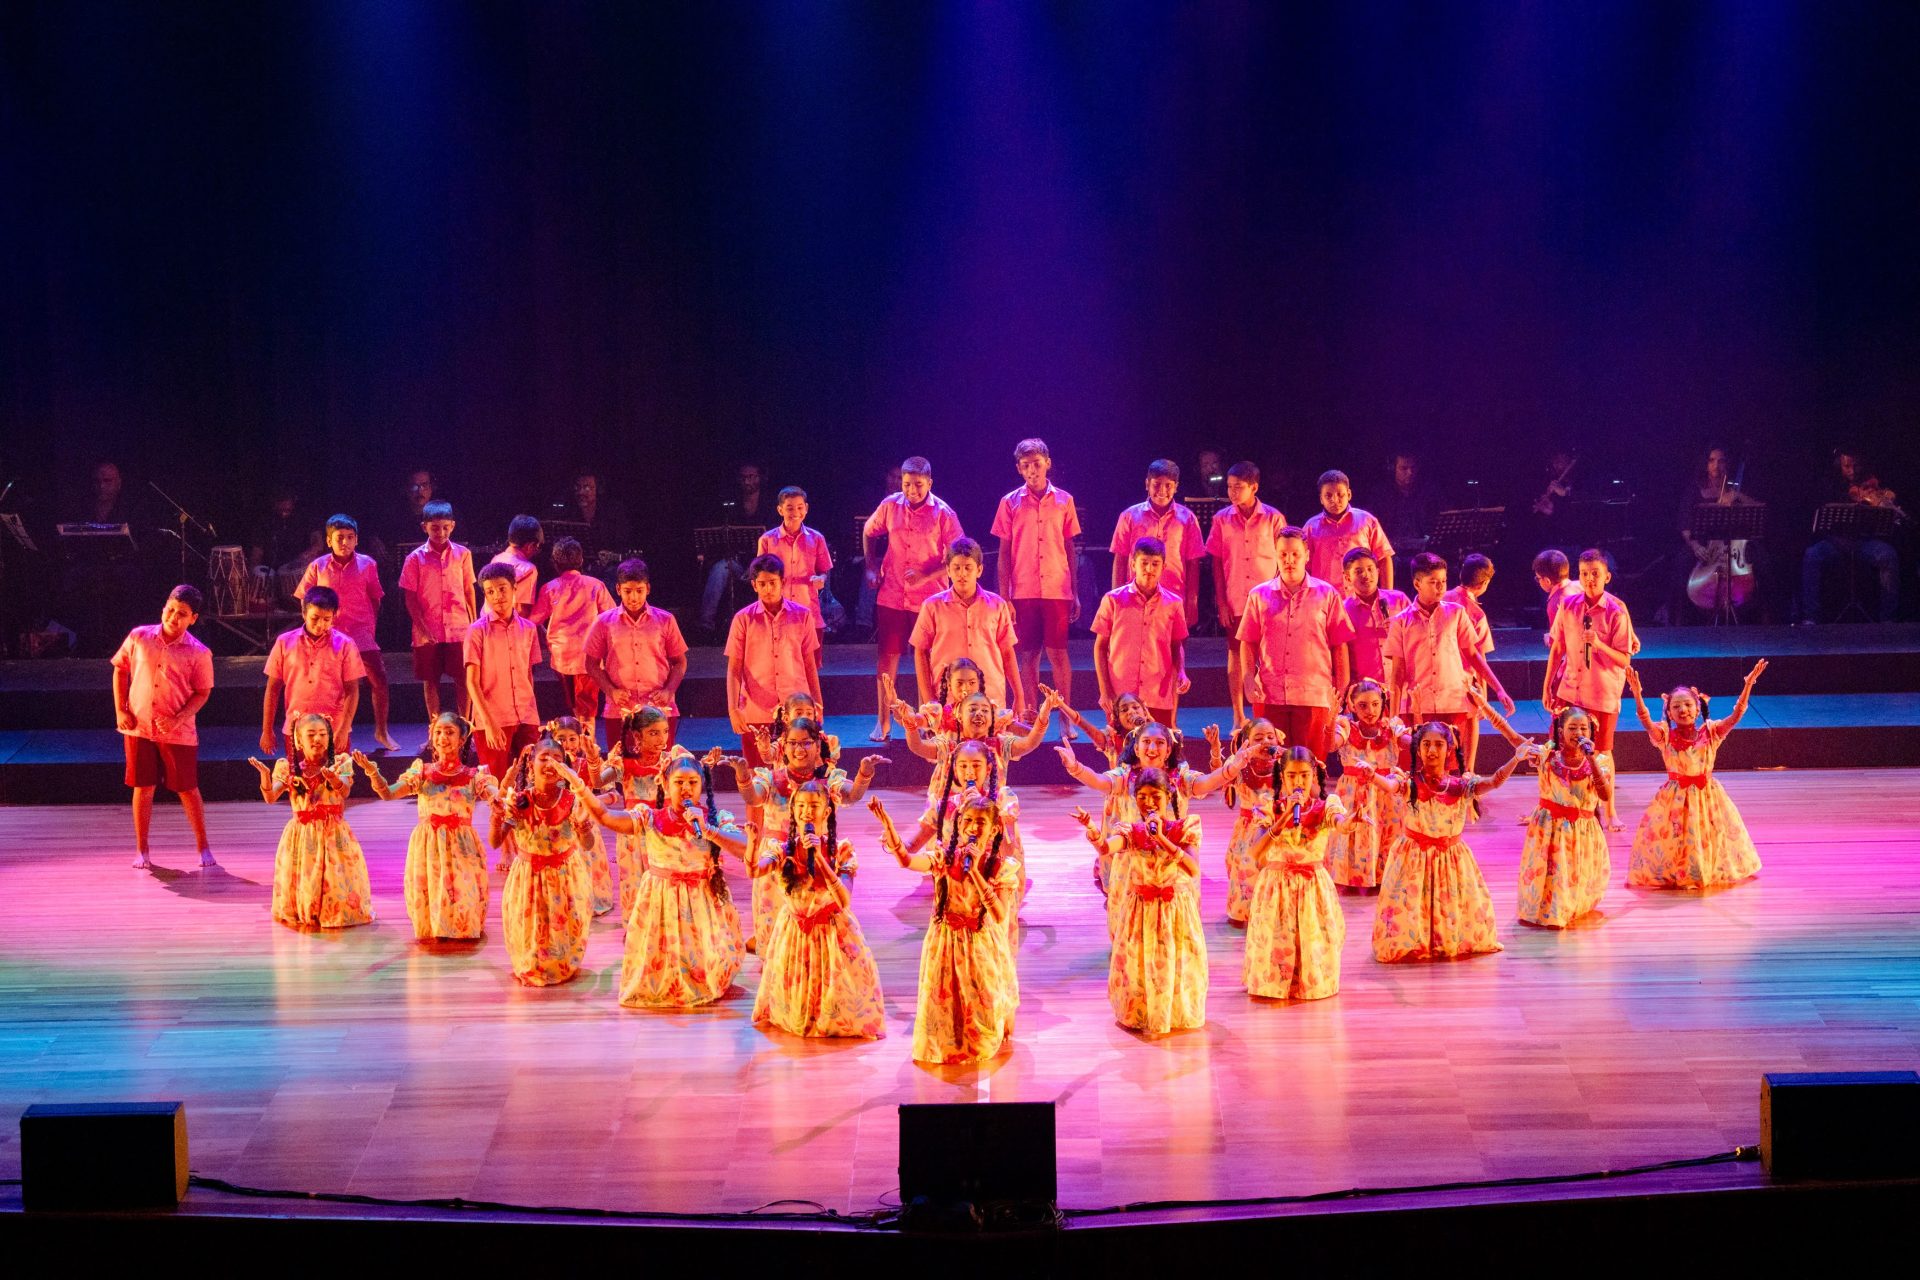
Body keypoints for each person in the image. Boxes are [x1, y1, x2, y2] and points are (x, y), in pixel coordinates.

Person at [570, 753, 750, 1007]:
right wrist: (579, 787)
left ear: (702, 785)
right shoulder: (650, 818)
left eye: (692, 782)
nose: (686, 788)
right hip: (661, 898)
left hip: (700, 899)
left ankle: (698, 982)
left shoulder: (713, 820)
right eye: (678, 782)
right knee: (663, 951)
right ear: (665, 785)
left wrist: (709, 830)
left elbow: (745, 848)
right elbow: (606, 817)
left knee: (698, 952)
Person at [1354, 723, 1528, 962]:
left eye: (1438, 744)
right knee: (1411, 905)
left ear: (1449, 749)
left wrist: (1515, 760)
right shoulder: (1409, 783)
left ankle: (1445, 938)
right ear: (1417, 749)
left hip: (1450, 857)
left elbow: (1494, 781)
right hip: (1414, 857)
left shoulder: (1461, 786)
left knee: (1451, 902)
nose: (1432, 750)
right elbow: (1390, 786)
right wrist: (1373, 776)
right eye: (1426, 744)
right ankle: (1415, 942)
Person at [871, 791, 1019, 1066]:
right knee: (945, 995)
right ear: (959, 825)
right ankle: (948, 1042)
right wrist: (889, 829)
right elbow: (907, 861)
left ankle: (977, 1040)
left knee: (979, 995)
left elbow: (999, 914)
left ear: (994, 828)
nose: (974, 828)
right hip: (945, 939)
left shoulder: (1000, 867)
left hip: (979, 940)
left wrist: (974, 871)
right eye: (968, 821)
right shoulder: (943, 858)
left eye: (981, 823)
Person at [749, 781, 886, 1040]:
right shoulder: (782, 851)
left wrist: (820, 858)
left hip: (833, 929)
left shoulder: (841, 850)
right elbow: (755, 871)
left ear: (827, 811)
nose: (806, 811)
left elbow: (844, 899)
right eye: (800, 805)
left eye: (814, 805)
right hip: (795, 931)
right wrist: (751, 847)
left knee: (836, 989)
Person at [1624, 662, 1767, 889]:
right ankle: (1681, 872)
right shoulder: (1665, 736)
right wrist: (1637, 694)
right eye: (1677, 706)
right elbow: (1645, 720)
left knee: (1706, 836)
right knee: (1678, 838)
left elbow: (1737, 714)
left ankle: (1702, 870)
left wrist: (1749, 684)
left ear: (1698, 708)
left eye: (1688, 705)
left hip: (1707, 795)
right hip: (1676, 798)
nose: (1683, 710)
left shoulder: (1711, 732)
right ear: (1669, 712)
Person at [354, 713, 495, 940]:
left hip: (461, 845)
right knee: (431, 886)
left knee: (462, 891)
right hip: (429, 843)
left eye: (449, 733)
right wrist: (373, 772)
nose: (442, 738)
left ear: (461, 740)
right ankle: (438, 928)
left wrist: (503, 796)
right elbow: (388, 793)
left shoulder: (473, 776)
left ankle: (460, 929)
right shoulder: (422, 772)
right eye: (438, 732)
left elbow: (493, 795)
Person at [113, 584, 215, 869]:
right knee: (142, 787)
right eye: (170, 610)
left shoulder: (198, 653)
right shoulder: (139, 637)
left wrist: (177, 718)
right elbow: (120, 669)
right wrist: (121, 709)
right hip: (139, 726)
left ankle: (203, 848)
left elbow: (202, 693)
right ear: (163, 609)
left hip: (177, 731)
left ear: (193, 618)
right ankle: (142, 850)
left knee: (187, 788)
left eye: (181, 614)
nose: (173, 617)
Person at [863, 456, 962, 741]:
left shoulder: (943, 513)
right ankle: (883, 721)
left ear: (929, 483)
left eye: (918, 485)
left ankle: (926, 721)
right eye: (907, 484)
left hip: (929, 599)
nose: (912, 490)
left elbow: (958, 556)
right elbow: (869, 532)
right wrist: (871, 564)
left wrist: (926, 577)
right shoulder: (890, 505)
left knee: (928, 661)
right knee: (887, 661)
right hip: (892, 595)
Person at [1102, 769, 1207, 1036]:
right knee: (1140, 962)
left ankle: (1173, 1012)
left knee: (1175, 960)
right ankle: (1141, 1012)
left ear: (1168, 795)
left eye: (1155, 796)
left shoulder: (1184, 828)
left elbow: (1193, 868)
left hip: (1174, 909)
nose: (1148, 803)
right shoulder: (1131, 831)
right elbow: (1108, 847)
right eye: (1142, 796)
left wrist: (1161, 839)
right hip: (1142, 908)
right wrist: (1093, 834)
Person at [1242, 746, 1349, 1001]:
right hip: (1277, 885)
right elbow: (1256, 851)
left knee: (1312, 936)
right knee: (1278, 937)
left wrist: (1351, 823)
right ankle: (1276, 982)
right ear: (1282, 775)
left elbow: (1340, 822)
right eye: (1291, 776)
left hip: (1312, 884)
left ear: (1313, 775)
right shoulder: (1268, 807)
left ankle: (1308, 981)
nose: (1298, 782)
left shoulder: (1326, 806)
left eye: (1303, 775)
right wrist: (1285, 817)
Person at [1236, 527, 1353, 758]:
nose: (1289, 560)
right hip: (1270, 695)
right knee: (1271, 768)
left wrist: (1340, 690)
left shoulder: (1327, 594)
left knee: (1309, 766)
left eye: (1295, 554)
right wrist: (1248, 679)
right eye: (1283, 555)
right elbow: (1247, 642)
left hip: (1314, 695)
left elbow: (1340, 645)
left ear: (1307, 555)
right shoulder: (1259, 595)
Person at [1543, 548, 1640, 829]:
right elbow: (1558, 646)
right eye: (1584, 574)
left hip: (1601, 690)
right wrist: (1548, 683)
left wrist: (1597, 644)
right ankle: (1556, 804)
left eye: (1595, 574)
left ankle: (1609, 811)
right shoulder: (1569, 604)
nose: (1589, 580)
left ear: (1607, 576)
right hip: (1570, 688)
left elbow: (1624, 658)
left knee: (1602, 752)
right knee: (1558, 747)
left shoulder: (1616, 610)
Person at [251, 713, 374, 931]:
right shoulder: (287, 768)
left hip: (332, 833)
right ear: (299, 740)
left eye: (322, 734)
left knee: (335, 879)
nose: (317, 739)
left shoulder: (341, 763)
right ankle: (308, 910)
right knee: (307, 876)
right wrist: (264, 776)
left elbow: (344, 791)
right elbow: (270, 798)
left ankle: (333, 912)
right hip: (302, 835)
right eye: (311, 734)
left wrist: (333, 778)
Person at [490, 738, 595, 986]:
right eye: (544, 758)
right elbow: (496, 842)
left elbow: (588, 844)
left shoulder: (572, 801)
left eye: (557, 759)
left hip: (564, 876)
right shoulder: (519, 801)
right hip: (528, 876)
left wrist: (582, 826)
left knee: (564, 924)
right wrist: (497, 816)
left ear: (565, 768)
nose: (550, 764)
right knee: (530, 925)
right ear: (531, 764)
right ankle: (532, 964)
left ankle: (561, 965)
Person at [992, 439, 1081, 721]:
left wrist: (1074, 592)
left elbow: (1069, 548)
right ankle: (1030, 712)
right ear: (1019, 469)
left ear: (1048, 463)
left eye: (1037, 464)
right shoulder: (1009, 503)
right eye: (1026, 466)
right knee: (1028, 654)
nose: (1033, 470)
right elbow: (1004, 553)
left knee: (1058, 653)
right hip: (1023, 588)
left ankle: (1066, 715)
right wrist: (1005, 596)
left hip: (1057, 587)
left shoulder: (1065, 501)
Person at [1384, 552, 1515, 743]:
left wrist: (1499, 689)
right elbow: (1397, 673)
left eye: (1443, 581)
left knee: (1453, 766)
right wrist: (1394, 716)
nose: (1440, 587)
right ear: (1417, 584)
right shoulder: (1401, 621)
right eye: (1433, 582)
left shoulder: (1456, 613)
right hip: (1417, 705)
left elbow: (1473, 655)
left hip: (1453, 701)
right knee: (1418, 765)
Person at [297, 514, 398, 751]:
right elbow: (305, 599)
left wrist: (368, 626)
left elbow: (376, 598)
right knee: (333, 686)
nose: (345, 542)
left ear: (356, 540)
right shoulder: (318, 566)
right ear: (329, 540)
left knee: (379, 680)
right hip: (330, 635)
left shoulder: (367, 564)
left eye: (350, 537)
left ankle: (382, 732)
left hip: (361, 633)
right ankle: (337, 734)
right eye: (339, 537)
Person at [1511, 705, 1610, 928]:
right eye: (1572, 728)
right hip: (1550, 827)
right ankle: (1553, 913)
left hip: (1581, 830)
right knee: (1552, 872)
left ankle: (1566, 909)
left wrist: (1590, 758)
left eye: (1583, 728)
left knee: (1571, 873)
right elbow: (1514, 738)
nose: (1578, 732)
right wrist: (1486, 708)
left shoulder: (1600, 761)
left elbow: (1604, 794)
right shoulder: (1548, 756)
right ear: (1561, 731)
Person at [1205, 461, 1286, 729]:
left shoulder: (1273, 518)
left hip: (1269, 600)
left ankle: (1265, 713)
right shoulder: (1221, 519)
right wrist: (1221, 601)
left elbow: (1284, 558)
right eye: (1229, 487)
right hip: (1236, 597)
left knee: (1269, 656)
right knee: (1236, 653)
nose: (1232, 493)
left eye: (1238, 487)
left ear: (1254, 487)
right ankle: (1238, 714)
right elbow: (1217, 562)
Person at [725, 554, 823, 766]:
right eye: (762, 584)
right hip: (756, 710)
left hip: (795, 711)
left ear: (783, 582)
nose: (768, 589)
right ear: (754, 585)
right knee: (758, 778)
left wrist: (818, 704)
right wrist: (733, 709)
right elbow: (734, 668)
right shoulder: (744, 619)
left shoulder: (802, 615)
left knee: (796, 777)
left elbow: (809, 664)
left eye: (772, 583)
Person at [912, 538, 1024, 718]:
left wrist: (1019, 695)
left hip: (990, 699)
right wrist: (929, 700)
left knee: (991, 745)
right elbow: (920, 651)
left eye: (968, 568)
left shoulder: (997, 605)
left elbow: (1007, 652)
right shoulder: (932, 606)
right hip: (947, 700)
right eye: (956, 568)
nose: (962, 573)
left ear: (979, 570)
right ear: (948, 570)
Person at [583, 558, 688, 747]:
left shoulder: (665, 620)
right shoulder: (604, 622)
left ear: (648, 588)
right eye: (628, 591)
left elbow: (680, 662)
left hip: (660, 709)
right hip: (620, 710)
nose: (633, 597)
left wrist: (668, 691)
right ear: (618, 589)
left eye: (639, 591)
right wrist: (611, 691)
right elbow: (591, 664)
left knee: (661, 768)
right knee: (623, 769)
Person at [1092, 535, 1190, 726]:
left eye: (1155, 564)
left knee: (1158, 750)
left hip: (1158, 693)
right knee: (1121, 752)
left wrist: (1182, 672)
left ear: (1163, 566)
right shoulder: (1113, 600)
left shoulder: (1174, 603)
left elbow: (1176, 644)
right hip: (1121, 695)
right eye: (1144, 563)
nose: (1149, 569)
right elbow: (1100, 648)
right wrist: (1105, 692)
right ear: (1133, 564)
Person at [261, 586, 364, 757]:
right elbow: (272, 689)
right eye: (314, 618)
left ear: (334, 616)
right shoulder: (284, 643)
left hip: (334, 729)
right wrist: (267, 730)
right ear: (304, 613)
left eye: (326, 619)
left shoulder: (345, 644)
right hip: (297, 729)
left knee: (337, 781)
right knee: (299, 782)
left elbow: (352, 691)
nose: (320, 625)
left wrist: (344, 730)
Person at [1801, 449, 1901, 623]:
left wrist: (1882, 501)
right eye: (1847, 466)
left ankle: (1888, 619)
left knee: (1888, 555)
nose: (1852, 471)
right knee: (1812, 555)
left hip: (1863, 542)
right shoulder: (1830, 484)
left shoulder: (1869, 483)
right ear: (1839, 465)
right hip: (1835, 542)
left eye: (1855, 466)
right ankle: (1811, 617)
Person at [398, 500, 475, 722]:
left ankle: (465, 727)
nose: (440, 532)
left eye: (444, 527)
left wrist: (473, 623)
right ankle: (435, 728)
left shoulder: (463, 555)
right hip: (427, 631)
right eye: (434, 528)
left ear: (452, 525)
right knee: (431, 681)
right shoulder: (414, 558)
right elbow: (410, 599)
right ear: (424, 527)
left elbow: (468, 590)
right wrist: (422, 629)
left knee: (463, 679)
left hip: (459, 628)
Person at [465, 562, 545, 778]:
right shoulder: (477, 631)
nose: (497, 596)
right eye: (490, 592)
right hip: (493, 718)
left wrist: (532, 714)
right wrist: (489, 723)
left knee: (529, 783)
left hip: (526, 716)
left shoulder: (528, 629)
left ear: (514, 589)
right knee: (498, 786)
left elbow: (528, 673)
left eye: (502, 589)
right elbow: (472, 682)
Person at [1326, 679, 1406, 890]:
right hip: (1353, 793)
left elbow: (1409, 744)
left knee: (1385, 831)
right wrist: (1329, 721)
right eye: (1362, 705)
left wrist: (1416, 722)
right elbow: (1331, 745)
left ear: (1382, 704)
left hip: (1385, 792)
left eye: (1374, 704)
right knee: (1354, 831)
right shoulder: (1345, 727)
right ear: (1352, 705)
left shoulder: (1392, 727)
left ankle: (1384, 875)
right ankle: (1352, 876)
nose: (1370, 710)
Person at [1109, 459, 1204, 632]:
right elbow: (1121, 558)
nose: (1162, 490)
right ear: (1147, 484)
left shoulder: (1188, 519)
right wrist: (1116, 596)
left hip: (1174, 598)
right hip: (1135, 598)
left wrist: (1192, 601)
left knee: (1174, 653)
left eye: (1168, 485)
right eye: (1156, 484)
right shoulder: (1129, 516)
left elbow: (1193, 563)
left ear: (1176, 486)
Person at [532, 537, 615, 727]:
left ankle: (584, 748)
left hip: (562, 657)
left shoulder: (549, 588)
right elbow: (612, 617)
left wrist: (545, 634)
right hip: (589, 657)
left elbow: (532, 621)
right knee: (587, 710)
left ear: (554, 563)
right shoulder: (595, 585)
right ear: (581, 560)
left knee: (578, 709)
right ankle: (587, 749)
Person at [1674, 446, 1761, 623]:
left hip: (1732, 544)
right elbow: (1684, 523)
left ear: (1726, 465)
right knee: (1681, 564)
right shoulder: (1695, 490)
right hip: (1702, 543)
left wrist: (1738, 496)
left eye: (1721, 461)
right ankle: (1679, 621)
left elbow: (1757, 508)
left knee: (1763, 562)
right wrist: (1695, 546)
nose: (1716, 465)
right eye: (1711, 460)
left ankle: (1764, 619)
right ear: (1706, 464)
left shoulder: (1732, 489)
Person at [697, 461, 772, 633]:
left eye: (751, 477)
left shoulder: (768, 504)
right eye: (744, 477)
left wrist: (756, 566)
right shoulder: (732, 505)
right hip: (740, 563)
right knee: (720, 568)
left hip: (764, 564)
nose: (747, 481)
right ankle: (705, 624)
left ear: (760, 477)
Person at [755, 485, 833, 647]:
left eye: (799, 507)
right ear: (780, 510)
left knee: (809, 665)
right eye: (789, 508)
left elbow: (823, 570)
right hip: (775, 610)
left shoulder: (816, 538)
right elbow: (760, 574)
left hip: (807, 609)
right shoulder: (767, 540)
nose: (795, 513)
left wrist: (821, 578)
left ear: (806, 509)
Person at [1304, 469, 1395, 591]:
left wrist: (1387, 594)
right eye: (1328, 495)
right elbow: (1304, 566)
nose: (1335, 500)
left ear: (1349, 494)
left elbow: (1384, 558)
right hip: (1324, 598)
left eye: (1340, 495)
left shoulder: (1366, 521)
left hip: (1362, 597)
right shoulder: (1311, 527)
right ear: (1321, 499)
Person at [1338, 546, 1411, 690]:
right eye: (1358, 571)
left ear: (1378, 572)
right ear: (1347, 578)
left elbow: (1417, 637)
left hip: (1402, 688)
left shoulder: (1398, 600)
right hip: (1367, 693)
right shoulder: (1343, 610)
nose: (1366, 575)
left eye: (1370, 569)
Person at [1375, 452, 1442, 574]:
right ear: (1393, 468)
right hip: (1393, 551)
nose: (1410, 473)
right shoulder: (1381, 495)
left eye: (1413, 468)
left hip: (1422, 549)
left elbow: (1434, 525)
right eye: (1404, 468)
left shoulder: (1427, 493)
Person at [563, 469, 631, 571]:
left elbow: (622, 545)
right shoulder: (569, 512)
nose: (581, 492)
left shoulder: (613, 513)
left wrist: (611, 556)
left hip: (607, 570)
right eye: (577, 487)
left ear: (598, 490)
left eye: (586, 488)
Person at [487, 516, 543, 617]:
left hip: (486, 624)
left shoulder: (495, 560)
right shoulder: (528, 569)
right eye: (537, 547)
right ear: (530, 545)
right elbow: (521, 610)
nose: (536, 551)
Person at [1531, 548, 1583, 630]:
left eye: (1538, 578)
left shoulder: (1555, 603)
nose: (1538, 582)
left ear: (1547, 581)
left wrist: (1549, 639)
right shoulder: (1582, 586)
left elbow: (1558, 639)